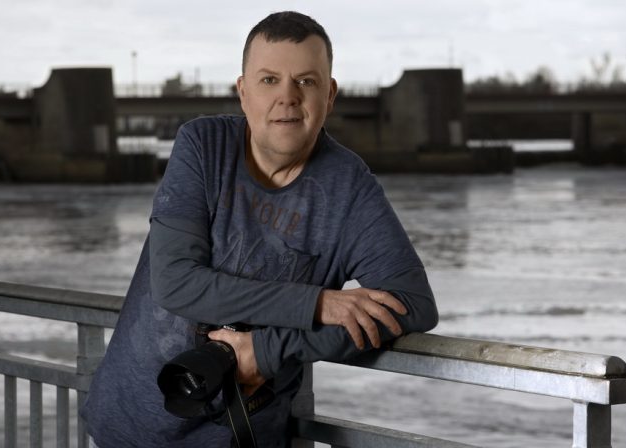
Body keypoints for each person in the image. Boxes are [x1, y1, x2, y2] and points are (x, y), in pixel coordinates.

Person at [81, 11, 438, 447]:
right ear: (243, 92)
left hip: (242, 437)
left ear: (329, 95)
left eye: (305, 81)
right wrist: (317, 304)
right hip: (124, 426)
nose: (287, 97)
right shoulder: (203, 146)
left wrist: (269, 351)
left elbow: (413, 304)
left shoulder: (350, 190)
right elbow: (175, 283)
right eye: (269, 80)